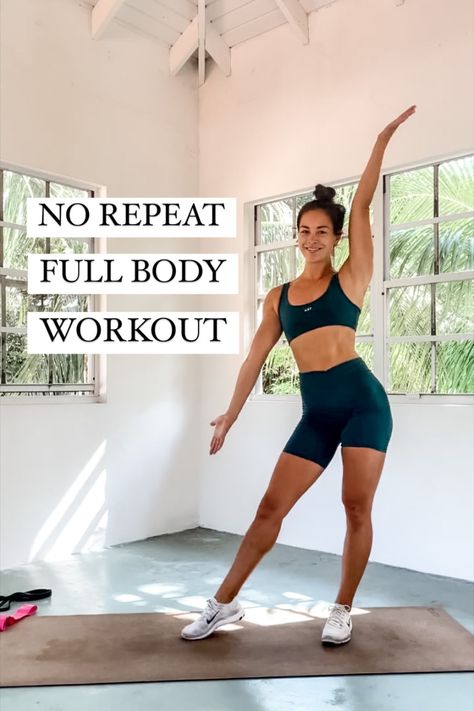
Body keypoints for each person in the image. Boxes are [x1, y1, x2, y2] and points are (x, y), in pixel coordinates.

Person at [181, 105, 416, 644]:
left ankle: (341, 609)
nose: (312, 238)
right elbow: (253, 359)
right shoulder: (278, 299)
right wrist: (230, 415)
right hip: (317, 413)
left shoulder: (352, 277)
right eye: (304, 231)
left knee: (355, 506)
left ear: (336, 239)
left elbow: (360, 205)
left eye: (322, 232)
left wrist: (381, 141)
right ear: (297, 236)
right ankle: (223, 604)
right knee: (270, 507)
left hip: (362, 405)